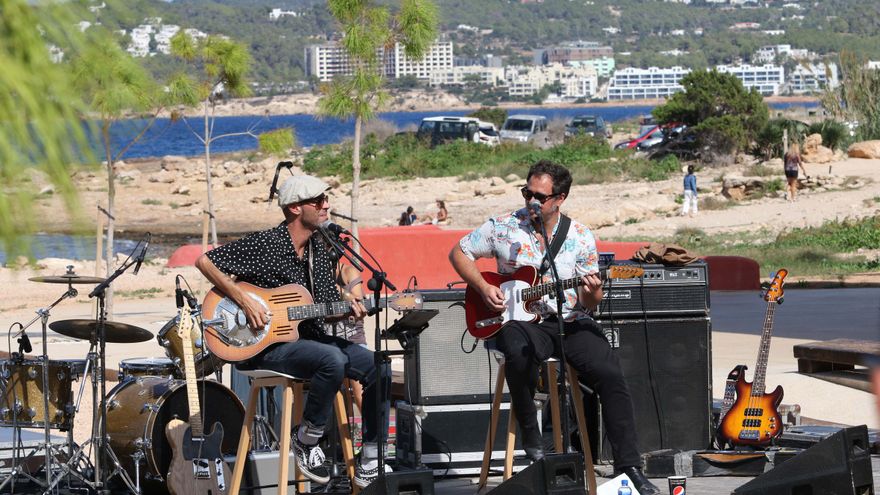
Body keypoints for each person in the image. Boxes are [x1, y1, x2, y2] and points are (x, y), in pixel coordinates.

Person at [448, 160, 660, 495]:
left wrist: (592, 291)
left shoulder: (579, 236)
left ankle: (629, 467)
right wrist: (483, 286)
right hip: (522, 323)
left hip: (568, 321)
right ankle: (533, 442)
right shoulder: (504, 227)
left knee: (610, 373)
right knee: (518, 350)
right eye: (527, 193)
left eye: (539, 197)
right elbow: (459, 253)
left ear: (559, 199)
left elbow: (591, 304)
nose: (531, 202)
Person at [195, 175, 391, 488]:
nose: (326, 205)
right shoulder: (267, 244)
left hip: (309, 340)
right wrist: (244, 300)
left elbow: (324, 307)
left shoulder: (321, 248)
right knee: (331, 360)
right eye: (319, 200)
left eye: (326, 199)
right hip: (264, 347)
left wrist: (347, 303)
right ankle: (306, 438)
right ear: (296, 207)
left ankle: (370, 459)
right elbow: (205, 261)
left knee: (378, 364)